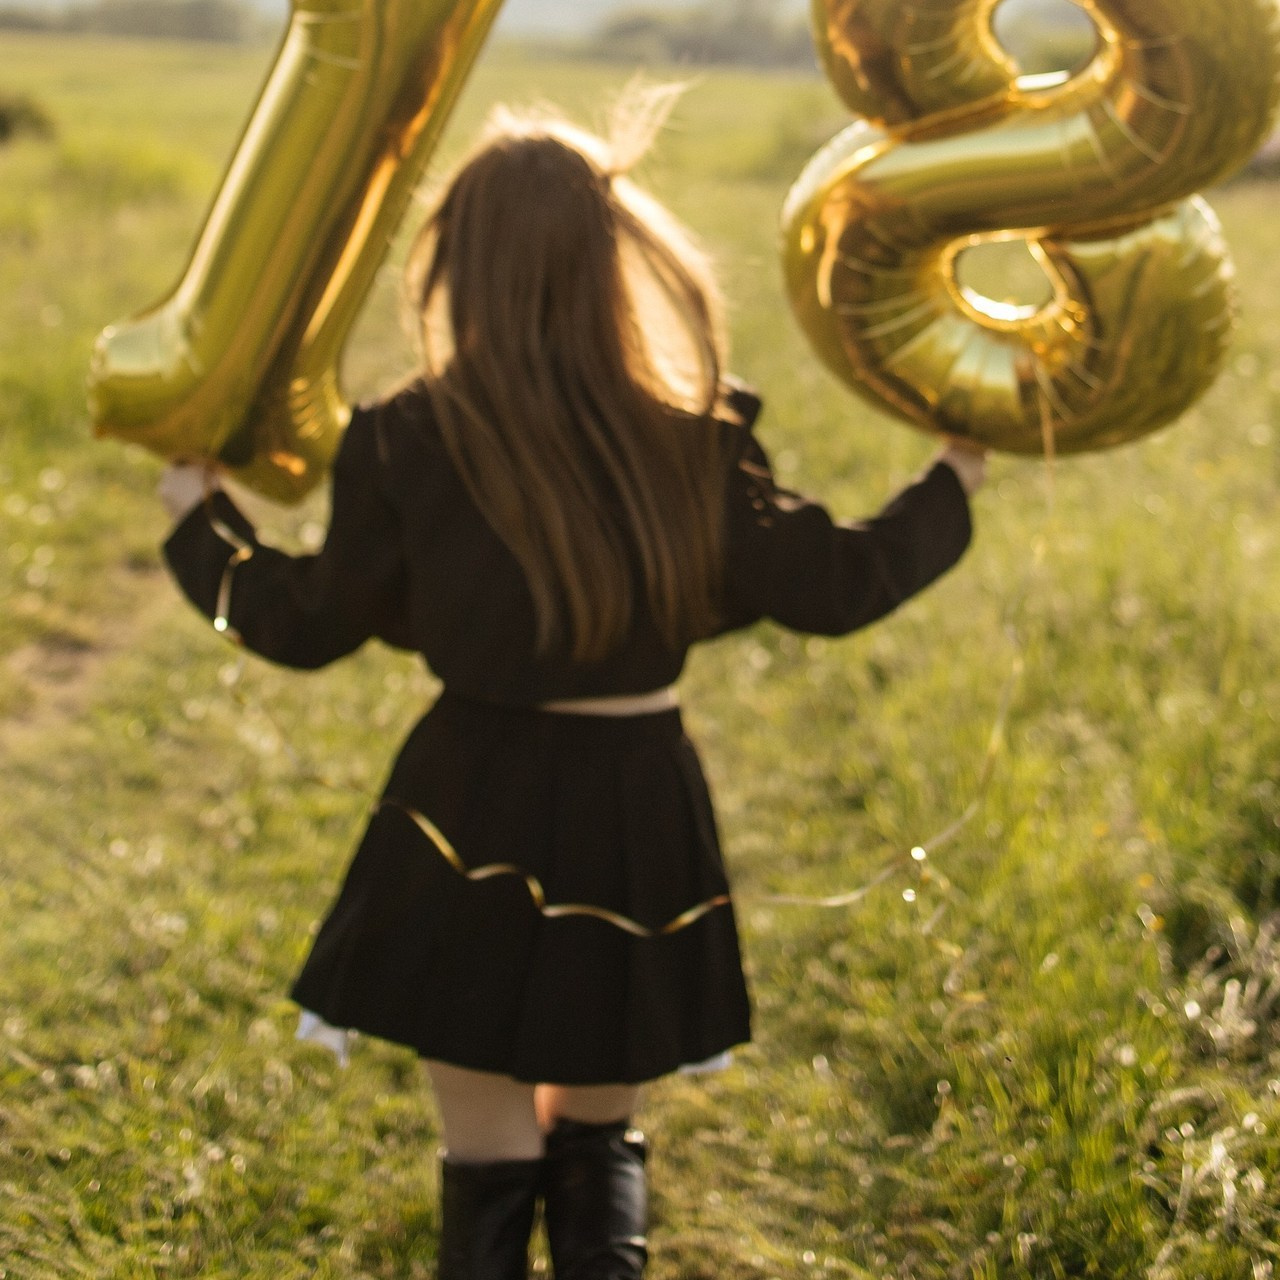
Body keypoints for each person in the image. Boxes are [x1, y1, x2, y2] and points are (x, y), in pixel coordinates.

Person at [158, 95, 985, 1280]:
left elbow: (305, 622)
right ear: (610, 256)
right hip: (634, 808)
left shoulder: (403, 438)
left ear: (458, 264)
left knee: (486, 1149)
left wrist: (202, 529)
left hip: (463, 803)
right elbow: (837, 582)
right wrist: (951, 481)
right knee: (596, 1135)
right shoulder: (692, 442)